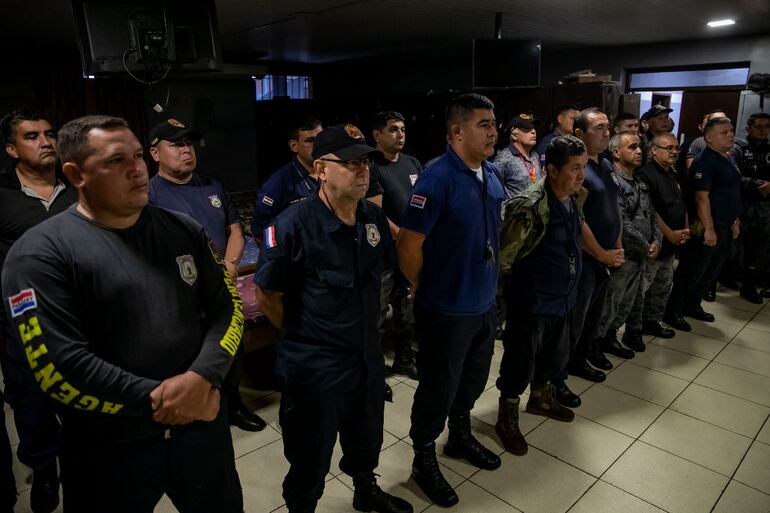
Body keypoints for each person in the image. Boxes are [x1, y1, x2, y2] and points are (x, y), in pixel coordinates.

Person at [1, 115, 244, 513]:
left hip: (200, 427)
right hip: (110, 445)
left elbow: (227, 306)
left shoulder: (183, 229)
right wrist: (161, 401)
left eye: (137, 156)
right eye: (116, 160)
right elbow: (58, 365)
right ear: (76, 174)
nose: (137, 169)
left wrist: (202, 378)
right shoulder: (39, 254)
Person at [253, 124, 412, 513]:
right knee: (310, 454)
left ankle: (365, 489)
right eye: (351, 163)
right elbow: (268, 296)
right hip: (316, 366)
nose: (363, 171)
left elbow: (382, 275)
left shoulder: (372, 219)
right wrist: (303, 334)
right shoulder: (292, 226)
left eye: (366, 163)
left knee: (366, 436)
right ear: (321, 170)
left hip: (365, 357)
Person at [398, 93, 504, 507]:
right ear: (457, 131)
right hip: (446, 308)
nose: (493, 131)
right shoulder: (437, 178)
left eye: (494, 123)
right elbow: (408, 245)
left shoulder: (489, 173)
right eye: (483, 124)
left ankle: (458, 436)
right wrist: (427, 287)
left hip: (483, 301)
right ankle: (423, 455)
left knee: (474, 378)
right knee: (437, 387)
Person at [147, 118, 266, 432]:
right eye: (176, 144)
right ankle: (196, 414)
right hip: (180, 293)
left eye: (189, 144)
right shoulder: (149, 194)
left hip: (221, 285)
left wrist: (229, 266)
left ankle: (234, 406)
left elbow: (235, 231)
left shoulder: (212, 186)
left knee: (231, 348)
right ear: (155, 153)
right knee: (193, 356)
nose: (186, 150)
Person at [0, 109, 78, 513]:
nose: (46, 141)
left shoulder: (79, 188)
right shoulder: (3, 197)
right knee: (32, 402)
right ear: (12, 149)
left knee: (83, 395)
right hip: (23, 323)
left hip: (79, 321)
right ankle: (45, 468)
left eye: (49, 134)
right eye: (32, 136)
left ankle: (82, 463)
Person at [495, 135, 587, 456]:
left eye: (583, 167)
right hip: (532, 302)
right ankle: (507, 416)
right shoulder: (529, 205)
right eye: (574, 168)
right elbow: (504, 260)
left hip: (563, 298)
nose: (581, 175)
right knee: (520, 361)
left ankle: (541, 398)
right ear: (552, 169)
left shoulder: (575, 198)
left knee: (554, 356)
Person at [563, 108, 626, 389]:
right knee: (577, 317)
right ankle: (564, 367)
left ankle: (583, 356)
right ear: (579, 133)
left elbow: (614, 207)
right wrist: (600, 253)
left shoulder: (607, 165)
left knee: (593, 315)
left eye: (607, 127)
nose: (606, 133)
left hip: (607, 254)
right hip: (587, 256)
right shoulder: (579, 170)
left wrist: (618, 243)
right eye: (598, 128)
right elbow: (577, 219)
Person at [665, 117, 746, 329]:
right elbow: (702, 198)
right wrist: (709, 229)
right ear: (708, 137)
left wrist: (733, 221)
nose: (730, 135)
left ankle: (693, 305)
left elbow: (730, 192)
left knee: (711, 271)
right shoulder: (705, 161)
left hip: (725, 224)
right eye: (724, 132)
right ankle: (674, 311)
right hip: (708, 225)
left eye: (731, 131)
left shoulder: (727, 158)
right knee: (692, 270)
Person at [365, 111, 422, 380]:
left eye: (402, 129)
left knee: (406, 308)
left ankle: (403, 358)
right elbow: (375, 212)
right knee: (377, 312)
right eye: (393, 129)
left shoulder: (412, 163)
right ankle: (373, 370)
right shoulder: (371, 166)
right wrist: (405, 237)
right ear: (377, 135)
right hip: (384, 253)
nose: (400, 135)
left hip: (409, 249)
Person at [594, 133, 661, 354]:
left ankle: (610, 337)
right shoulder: (613, 182)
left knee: (626, 303)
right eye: (632, 147)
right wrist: (645, 246)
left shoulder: (640, 182)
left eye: (639, 146)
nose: (639, 151)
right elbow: (622, 221)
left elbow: (652, 215)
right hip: (622, 255)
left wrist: (657, 241)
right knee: (610, 303)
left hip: (640, 256)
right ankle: (595, 344)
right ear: (616, 152)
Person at [636, 132, 690, 338]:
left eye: (677, 148)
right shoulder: (646, 175)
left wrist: (685, 229)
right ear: (654, 150)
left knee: (663, 286)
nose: (674, 152)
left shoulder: (671, 173)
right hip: (655, 242)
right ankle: (634, 328)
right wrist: (670, 234)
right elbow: (651, 211)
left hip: (672, 243)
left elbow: (679, 203)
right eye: (669, 148)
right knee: (643, 289)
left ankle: (653, 321)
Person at [252, 115, 323, 236]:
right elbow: (261, 232)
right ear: (294, 146)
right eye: (310, 141)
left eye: (321, 138)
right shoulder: (278, 183)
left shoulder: (336, 172)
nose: (318, 144)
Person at [736, 112, 770, 302]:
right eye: (758, 126)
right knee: (733, 245)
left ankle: (749, 285)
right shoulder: (740, 147)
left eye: (767, 126)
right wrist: (754, 184)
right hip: (743, 202)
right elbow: (732, 174)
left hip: (764, 206)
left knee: (757, 247)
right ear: (749, 128)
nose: (763, 130)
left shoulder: (769, 150)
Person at [492, 113, 543, 200]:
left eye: (534, 128)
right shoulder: (504, 159)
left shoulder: (535, 155)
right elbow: (493, 192)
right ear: (514, 135)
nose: (534, 131)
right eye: (527, 129)